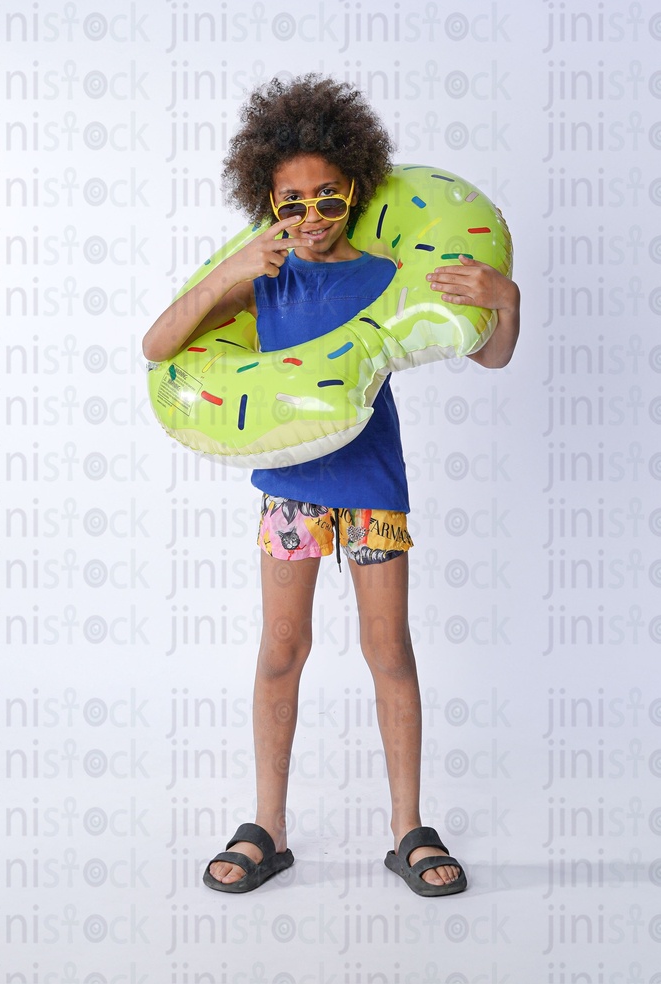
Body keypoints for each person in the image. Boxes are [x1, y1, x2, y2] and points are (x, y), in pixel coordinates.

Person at [142, 75, 520, 896]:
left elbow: (490, 355)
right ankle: (267, 827)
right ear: (266, 201)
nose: (311, 216)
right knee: (282, 649)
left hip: (373, 487)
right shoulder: (265, 277)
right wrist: (228, 272)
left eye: (328, 197)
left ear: (356, 187)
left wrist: (507, 302)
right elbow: (157, 345)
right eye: (291, 202)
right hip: (292, 496)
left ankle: (408, 827)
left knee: (389, 650)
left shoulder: (386, 275)